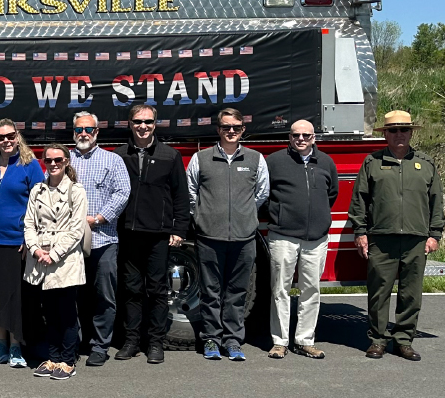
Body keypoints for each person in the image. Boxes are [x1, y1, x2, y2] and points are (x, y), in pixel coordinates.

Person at [350, 110, 444, 362]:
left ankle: (403, 341)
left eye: (404, 130)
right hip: (381, 239)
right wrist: (360, 232)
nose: (399, 134)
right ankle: (377, 341)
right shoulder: (372, 162)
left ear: (411, 133)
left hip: (416, 239)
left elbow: (436, 202)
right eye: (393, 130)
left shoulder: (426, 164)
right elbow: (359, 200)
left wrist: (435, 234)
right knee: (378, 293)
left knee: (410, 295)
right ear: (386, 135)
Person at [187, 107, 269, 362]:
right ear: (218, 129)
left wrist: (243, 215)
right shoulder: (200, 158)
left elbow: (262, 193)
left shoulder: (256, 159)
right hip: (209, 238)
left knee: (237, 292)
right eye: (226, 127)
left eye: (235, 127)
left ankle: (233, 341)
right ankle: (211, 339)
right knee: (210, 291)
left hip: (244, 239)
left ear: (243, 129)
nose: (231, 131)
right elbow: (191, 194)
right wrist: (204, 217)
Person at [111, 104, 190, 364]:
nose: (142, 126)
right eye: (137, 122)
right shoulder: (119, 155)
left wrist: (179, 228)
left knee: (157, 290)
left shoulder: (170, 155)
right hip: (128, 232)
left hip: (158, 235)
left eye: (148, 121)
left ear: (155, 124)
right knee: (131, 290)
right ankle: (132, 341)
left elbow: (180, 196)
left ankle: (156, 343)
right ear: (130, 124)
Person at [264, 120, 339, 359]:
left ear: (314, 137)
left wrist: (317, 219)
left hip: (316, 238)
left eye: (306, 135)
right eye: (296, 135)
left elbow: (332, 194)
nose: (301, 139)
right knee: (280, 290)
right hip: (283, 236)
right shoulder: (274, 161)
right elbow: (263, 194)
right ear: (289, 137)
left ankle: (305, 340)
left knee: (311, 290)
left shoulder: (326, 162)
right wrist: (279, 216)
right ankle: (280, 341)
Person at [0, 119, 44, 368]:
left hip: (15, 242)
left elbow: (40, 206)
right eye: (1, 137)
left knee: (14, 298)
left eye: (10, 136)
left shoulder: (30, 166)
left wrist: (30, 239)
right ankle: (0, 345)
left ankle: (17, 347)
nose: (6, 140)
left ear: (18, 137)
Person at [66, 112, 129, 367]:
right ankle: (76, 342)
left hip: (104, 239)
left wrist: (99, 218)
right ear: (73, 132)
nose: (83, 134)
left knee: (104, 296)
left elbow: (123, 192)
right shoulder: (64, 159)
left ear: (97, 132)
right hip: (70, 243)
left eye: (89, 129)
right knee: (73, 295)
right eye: (79, 129)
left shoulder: (112, 160)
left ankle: (100, 346)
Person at [24, 144, 89, 381]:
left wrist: (54, 254)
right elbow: (29, 223)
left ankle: (68, 360)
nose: (53, 164)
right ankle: (52, 358)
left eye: (58, 160)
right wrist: (35, 249)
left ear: (66, 162)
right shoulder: (37, 190)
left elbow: (76, 229)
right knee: (48, 312)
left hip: (65, 260)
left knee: (66, 313)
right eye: (48, 160)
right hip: (40, 259)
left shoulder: (76, 191)